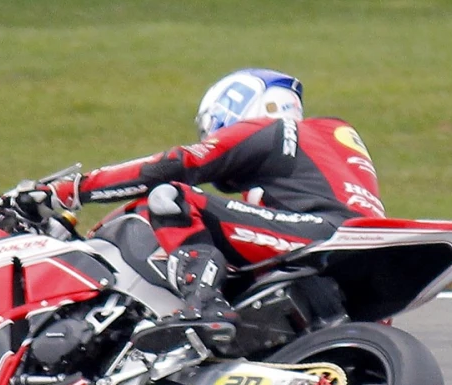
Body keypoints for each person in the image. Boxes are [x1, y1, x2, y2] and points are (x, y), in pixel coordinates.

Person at [64, 70, 385, 344]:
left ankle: (205, 306)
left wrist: (70, 190)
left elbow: (176, 164)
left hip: (321, 234)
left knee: (170, 197)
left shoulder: (276, 129)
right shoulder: (327, 144)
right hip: (367, 253)